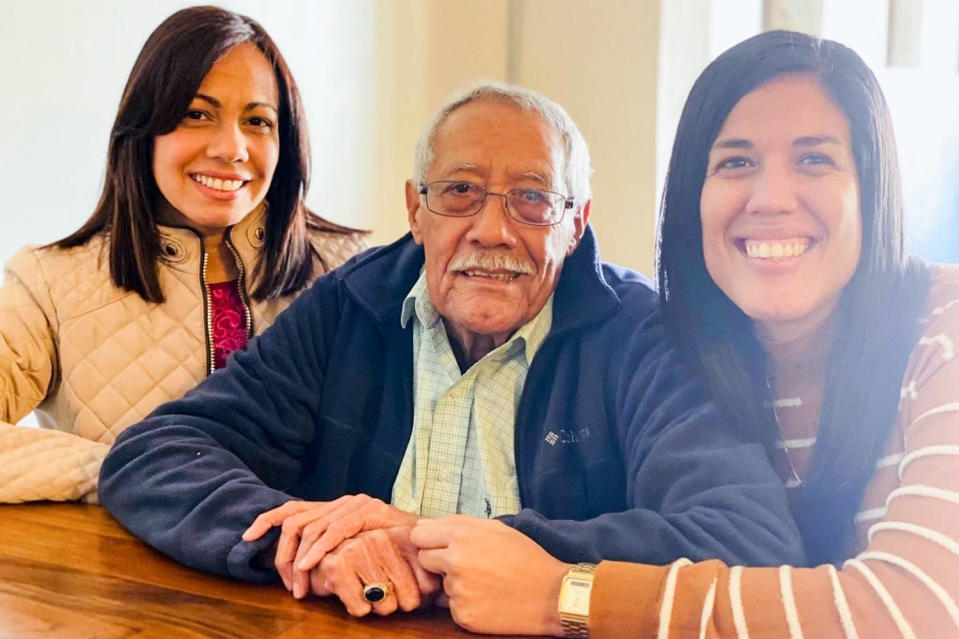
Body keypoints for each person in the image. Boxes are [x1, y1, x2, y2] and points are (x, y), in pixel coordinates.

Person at [99, 83, 804, 620]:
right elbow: (155, 453)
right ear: (415, 209)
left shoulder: (644, 334)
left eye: (532, 199)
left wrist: (446, 544)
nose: (492, 230)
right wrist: (309, 545)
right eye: (460, 192)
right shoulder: (349, 305)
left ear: (577, 223)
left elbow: (746, 537)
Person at [408, 31, 959, 638]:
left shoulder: (944, 329)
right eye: (736, 162)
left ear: (873, 185)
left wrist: (563, 595)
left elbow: (916, 609)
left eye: (814, 158)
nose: (771, 198)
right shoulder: (688, 355)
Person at [0, 6, 366, 504]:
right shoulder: (50, 281)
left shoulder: (349, 273)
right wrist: (132, 470)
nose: (231, 148)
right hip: (123, 577)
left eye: (257, 121)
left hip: (310, 578)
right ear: (144, 127)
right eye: (197, 114)